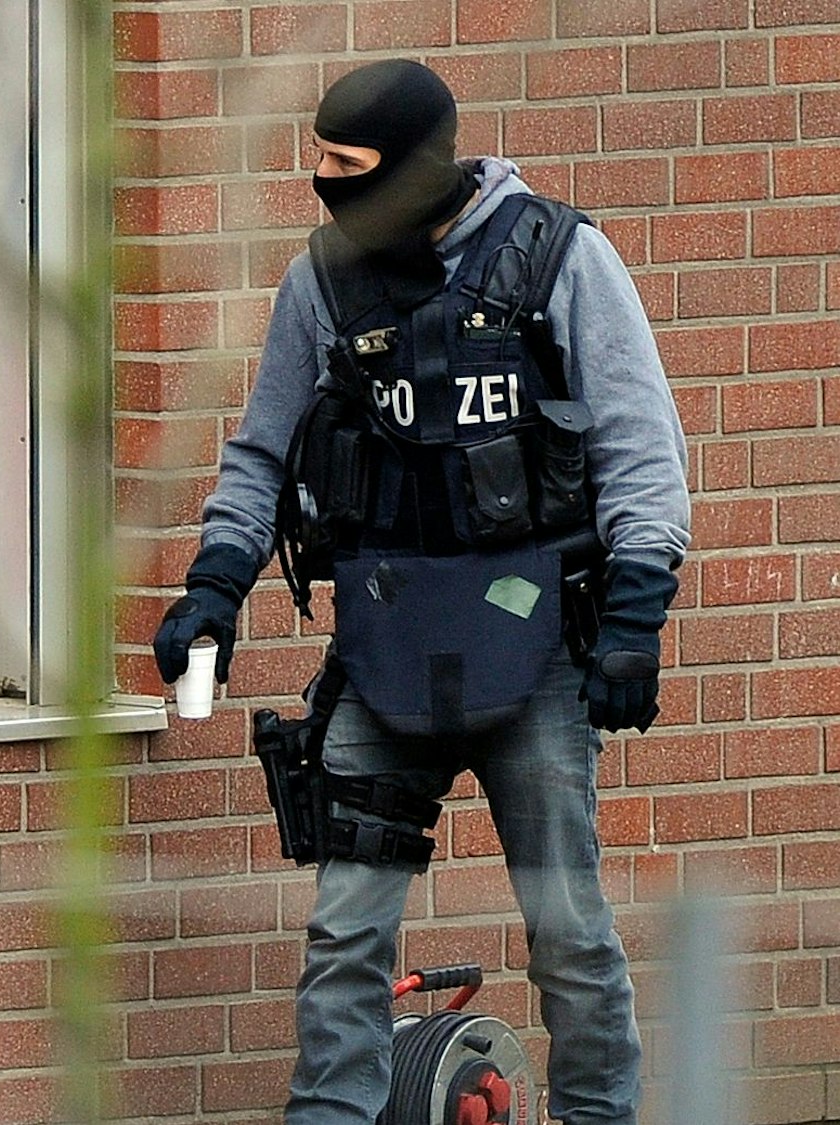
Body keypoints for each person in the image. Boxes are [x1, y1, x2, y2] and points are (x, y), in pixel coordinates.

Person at [152, 59, 690, 1125]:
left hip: (532, 648)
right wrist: (214, 583)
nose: (321, 183)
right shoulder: (323, 280)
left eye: (344, 166)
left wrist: (633, 617)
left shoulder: (556, 258)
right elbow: (260, 455)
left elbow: (642, 451)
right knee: (344, 936)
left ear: (416, 166)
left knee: (569, 935)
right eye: (314, 160)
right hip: (382, 647)